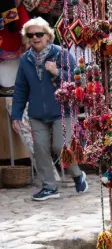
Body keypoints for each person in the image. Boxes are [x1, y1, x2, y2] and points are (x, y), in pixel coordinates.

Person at [10, 17, 87, 201]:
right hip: (37, 112)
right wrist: (16, 115)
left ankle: (77, 175)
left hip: (62, 110)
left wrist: (58, 72)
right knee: (40, 148)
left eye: (39, 34)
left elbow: (79, 81)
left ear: (48, 35)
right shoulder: (25, 60)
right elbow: (21, 88)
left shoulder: (61, 54)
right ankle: (49, 187)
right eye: (30, 35)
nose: (35, 38)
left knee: (61, 147)